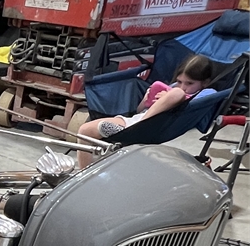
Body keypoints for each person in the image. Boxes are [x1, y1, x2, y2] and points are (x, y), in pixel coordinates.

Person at [77, 54, 217, 167]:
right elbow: (138, 111)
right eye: (180, 81)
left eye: (189, 83)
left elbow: (190, 102)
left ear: (204, 82)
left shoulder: (208, 93)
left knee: (177, 94)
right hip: (136, 120)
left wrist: (172, 96)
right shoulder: (174, 87)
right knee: (84, 131)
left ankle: (134, 129)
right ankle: (82, 175)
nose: (183, 86)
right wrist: (146, 99)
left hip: (154, 126)